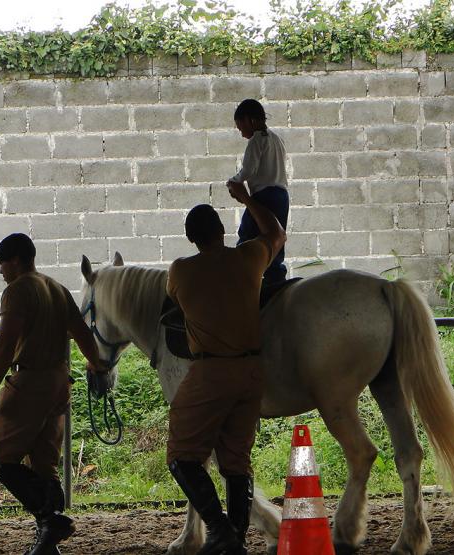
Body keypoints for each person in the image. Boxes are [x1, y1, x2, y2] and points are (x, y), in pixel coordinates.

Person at [165, 183, 287, 554]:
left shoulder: (181, 271)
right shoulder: (249, 257)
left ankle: (220, 531)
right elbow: (276, 233)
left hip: (211, 373)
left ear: (190, 238)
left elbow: (173, 300)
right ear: (222, 230)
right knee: (236, 463)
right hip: (251, 374)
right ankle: (235, 539)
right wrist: (248, 200)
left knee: (181, 456)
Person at [0, 233, 107, 555]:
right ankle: (47, 542)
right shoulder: (57, 288)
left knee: (2, 458)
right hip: (58, 382)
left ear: (16, 260)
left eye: (2, 264)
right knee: (43, 463)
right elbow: (82, 333)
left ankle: (50, 519)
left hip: (30, 383)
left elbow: (5, 344)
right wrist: (97, 364)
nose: (1, 271)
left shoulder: (17, 291)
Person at [228, 98, 290, 287]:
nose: (242, 134)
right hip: (281, 196)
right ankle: (275, 276)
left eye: (241, 127)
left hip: (264, 196)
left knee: (248, 235)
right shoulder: (276, 138)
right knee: (275, 238)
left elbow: (249, 170)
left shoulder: (256, 140)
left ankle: (240, 275)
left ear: (251, 120)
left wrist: (234, 181)